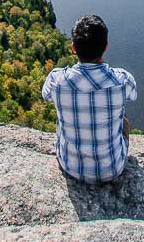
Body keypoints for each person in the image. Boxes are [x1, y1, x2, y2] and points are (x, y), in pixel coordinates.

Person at [41, 14, 137, 184]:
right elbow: (132, 95)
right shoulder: (122, 80)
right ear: (106, 47)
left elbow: (45, 96)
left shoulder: (57, 80)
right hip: (113, 168)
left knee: (65, 110)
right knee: (123, 117)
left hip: (70, 166)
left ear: (73, 48)